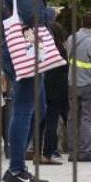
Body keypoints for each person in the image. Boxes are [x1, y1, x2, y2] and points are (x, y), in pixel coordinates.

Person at [0, 0, 54, 182]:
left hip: (11, 48)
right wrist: (50, 13)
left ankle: (20, 159)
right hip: (25, 50)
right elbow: (33, 16)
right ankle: (16, 169)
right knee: (23, 108)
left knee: (38, 105)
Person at [65, 12, 91, 162]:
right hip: (89, 84)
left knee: (73, 117)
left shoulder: (70, 39)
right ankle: (85, 151)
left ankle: (73, 151)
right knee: (89, 117)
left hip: (72, 83)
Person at [37, 18, 69, 164]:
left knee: (39, 122)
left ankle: (37, 153)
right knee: (51, 122)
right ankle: (47, 154)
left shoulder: (42, 49)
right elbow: (64, 73)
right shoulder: (61, 52)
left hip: (41, 88)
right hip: (56, 91)